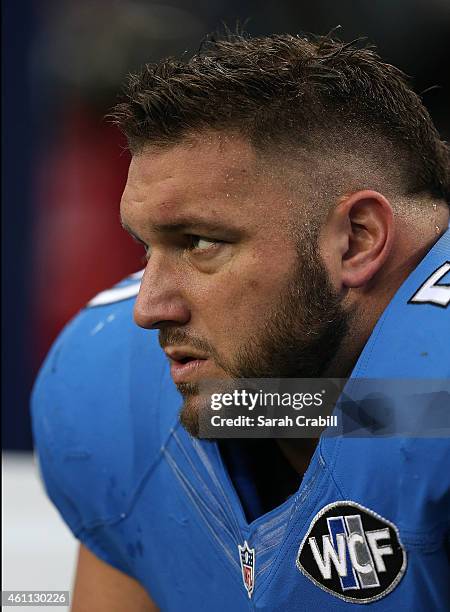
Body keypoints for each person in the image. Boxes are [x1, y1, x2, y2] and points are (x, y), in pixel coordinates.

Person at [31, 32, 450, 611]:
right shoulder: (106, 386)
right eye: (146, 247)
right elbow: (363, 409)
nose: (148, 309)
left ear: (357, 239)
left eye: (200, 242)